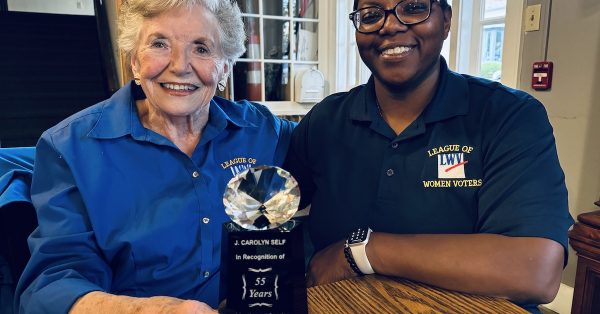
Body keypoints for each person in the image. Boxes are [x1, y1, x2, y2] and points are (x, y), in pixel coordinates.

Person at [284, 0, 573, 312]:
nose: (390, 25)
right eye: (371, 14)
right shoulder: (326, 119)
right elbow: (273, 209)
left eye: (413, 7)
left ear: (446, 21)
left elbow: (535, 271)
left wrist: (361, 251)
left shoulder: (509, 117)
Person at [15, 0, 294, 313]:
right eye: (160, 43)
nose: (180, 65)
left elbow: (340, 149)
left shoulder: (261, 130)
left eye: (201, 48)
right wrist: (153, 311)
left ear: (224, 68)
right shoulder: (69, 147)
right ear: (134, 61)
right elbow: (52, 284)